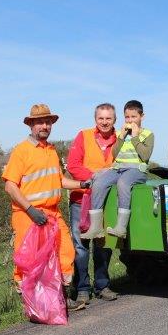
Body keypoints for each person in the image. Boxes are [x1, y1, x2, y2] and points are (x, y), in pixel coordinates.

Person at [2, 104, 89, 311]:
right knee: (30, 261)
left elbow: (59, 180)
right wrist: (31, 210)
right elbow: (10, 186)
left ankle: (60, 298)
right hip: (27, 215)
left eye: (48, 122)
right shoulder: (21, 151)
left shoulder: (51, 149)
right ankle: (32, 305)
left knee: (64, 253)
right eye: (40, 122)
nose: (45, 126)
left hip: (52, 213)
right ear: (31, 124)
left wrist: (82, 185)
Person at [66, 103, 119, 307]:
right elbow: (73, 165)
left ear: (114, 120)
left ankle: (102, 285)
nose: (104, 122)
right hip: (81, 199)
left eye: (108, 118)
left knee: (103, 244)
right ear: (95, 119)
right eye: (101, 118)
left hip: (106, 201)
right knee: (80, 247)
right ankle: (81, 289)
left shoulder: (120, 139)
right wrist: (96, 179)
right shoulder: (83, 136)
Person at [80, 100, 154, 239]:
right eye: (127, 117)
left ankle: (121, 227)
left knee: (123, 183)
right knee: (99, 183)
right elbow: (114, 154)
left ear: (141, 117)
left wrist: (135, 137)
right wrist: (121, 137)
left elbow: (145, 156)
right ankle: (96, 228)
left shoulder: (148, 134)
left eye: (134, 117)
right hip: (119, 168)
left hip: (137, 170)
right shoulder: (121, 133)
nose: (130, 120)